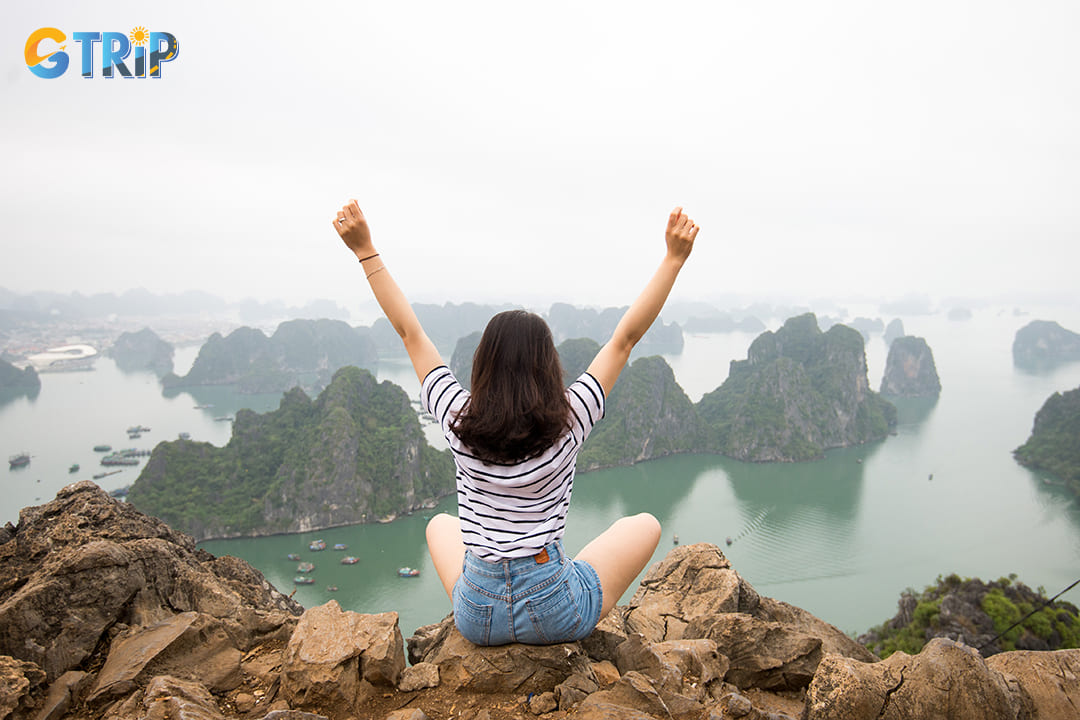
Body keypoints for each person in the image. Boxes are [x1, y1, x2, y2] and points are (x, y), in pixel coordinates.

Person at [333, 200, 699, 645]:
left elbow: (409, 332)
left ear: (483, 363)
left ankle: (500, 589)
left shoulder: (456, 417)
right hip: (554, 610)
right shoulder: (571, 417)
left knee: (437, 525)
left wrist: (364, 250)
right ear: (549, 366)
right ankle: (556, 575)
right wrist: (674, 258)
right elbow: (624, 340)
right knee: (643, 525)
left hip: (477, 617)